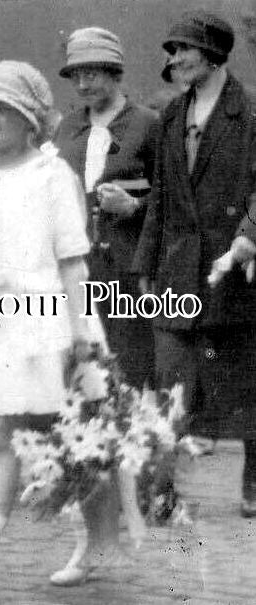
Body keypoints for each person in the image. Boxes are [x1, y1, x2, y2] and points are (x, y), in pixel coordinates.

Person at [0, 60, 101, 601]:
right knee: (23, 438)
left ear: (29, 118)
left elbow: (73, 264)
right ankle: (78, 541)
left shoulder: (52, 176)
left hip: (52, 319)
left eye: (2, 108)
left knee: (29, 437)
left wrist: (81, 336)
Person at [133, 10, 256, 519]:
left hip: (236, 270)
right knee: (171, 381)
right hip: (179, 271)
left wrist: (250, 237)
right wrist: (145, 266)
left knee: (245, 381)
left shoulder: (248, 112)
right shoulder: (170, 114)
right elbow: (162, 196)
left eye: (182, 49)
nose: (175, 59)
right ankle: (162, 487)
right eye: (171, 51)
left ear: (212, 54)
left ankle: (253, 481)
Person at [50, 28, 160, 585]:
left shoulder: (147, 124)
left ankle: (143, 484)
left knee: (133, 378)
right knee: (85, 387)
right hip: (76, 273)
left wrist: (134, 205)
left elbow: (172, 199)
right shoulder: (65, 127)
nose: (87, 82)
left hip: (127, 271)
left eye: (96, 71)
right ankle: (98, 497)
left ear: (116, 74)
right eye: (77, 73)